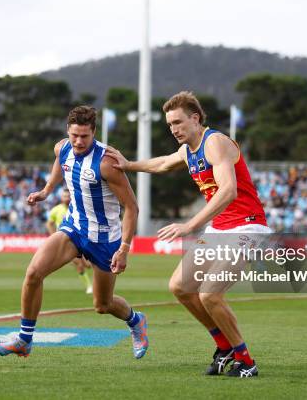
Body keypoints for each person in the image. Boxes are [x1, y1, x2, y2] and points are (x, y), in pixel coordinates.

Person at [105, 91, 270, 378]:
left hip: (247, 227)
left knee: (210, 294)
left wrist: (190, 224)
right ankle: (224, 347)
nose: (174, 129)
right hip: (220, 229)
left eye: (179, 122)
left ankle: (246, 360)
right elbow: (163, 164)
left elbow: (228, 191)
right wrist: (128, 164)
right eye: (170, 125)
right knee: (180, 286)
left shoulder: (215, 142)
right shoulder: (187, 150)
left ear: (195, 118)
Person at [0, 105, 148, 359]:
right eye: (74, 135)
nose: (78, 141)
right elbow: (59, 165)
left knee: (102, 305)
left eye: (84, 136)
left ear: (94, 132)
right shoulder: (62, 147)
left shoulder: (107, 163)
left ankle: (136, 321)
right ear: (68, 131)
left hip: (105, 239)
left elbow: (131, 207)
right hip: (74, 227)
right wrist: (46, 191)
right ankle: (24, 339)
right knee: (33, 273)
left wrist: (125, 248)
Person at [47, 188, 93, 294]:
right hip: (66, 242)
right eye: (64, 196)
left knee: (87, 265)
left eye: (68, 196)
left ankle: (90, 284)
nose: (66, 198)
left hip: (79, 240)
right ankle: (89, 287)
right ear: (61, 198)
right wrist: (54, 235)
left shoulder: (77, 209)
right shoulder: (56, 210)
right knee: (80, 265)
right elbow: (49, 223)